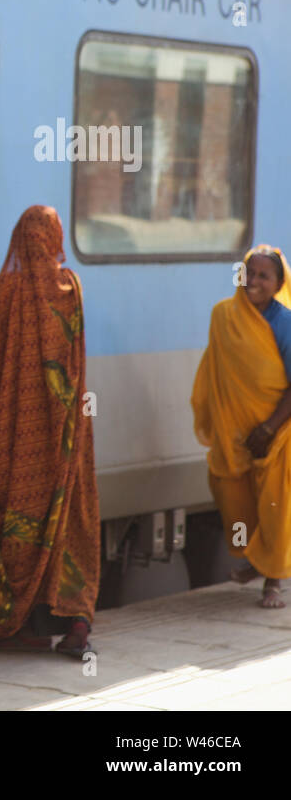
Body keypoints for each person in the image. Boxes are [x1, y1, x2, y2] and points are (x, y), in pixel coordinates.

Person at [0, 206, 99, 657]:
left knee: (7, 519)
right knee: (67, 522)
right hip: (66, 439)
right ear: (54, 241)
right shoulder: (72, 287)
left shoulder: (8, 291)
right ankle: (77, 627)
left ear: (17, 241)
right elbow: (43, 320)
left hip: (14, 441)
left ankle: (13, 623)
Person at [191, 244, 291, 608]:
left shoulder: (285, 323)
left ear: (278, 283)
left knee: (275, 506)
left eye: (264, 276)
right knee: (234, 500)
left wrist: (268, 428)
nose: (254, 281)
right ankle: (255, 559)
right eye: (249, 273)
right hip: (235, 433)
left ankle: (273, 583)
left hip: (278, 432)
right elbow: (215, 368)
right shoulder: (223, 316)